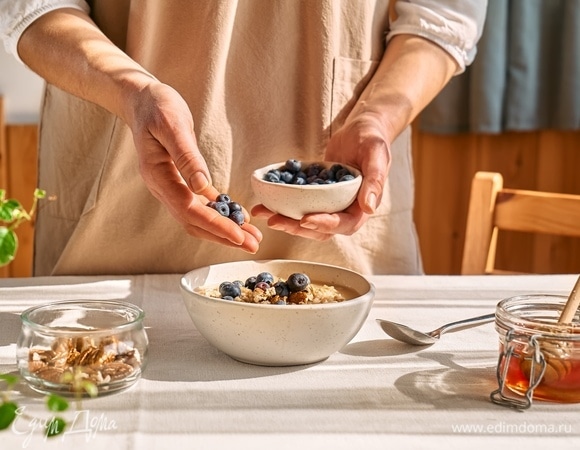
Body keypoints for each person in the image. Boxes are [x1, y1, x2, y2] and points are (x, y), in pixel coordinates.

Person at [0, 0, 487, 276]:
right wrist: (131, 91)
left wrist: (378, 115)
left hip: (342, 238)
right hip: (115, 210)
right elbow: (33, 7)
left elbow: (440, 18)